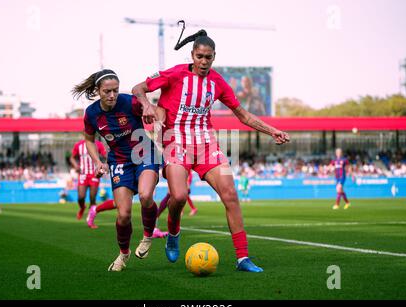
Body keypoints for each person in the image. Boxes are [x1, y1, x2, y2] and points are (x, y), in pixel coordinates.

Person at [132, 28, 290, 272]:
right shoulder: (174, 74)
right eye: (200, 56)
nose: (204, 62)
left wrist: (272, 131)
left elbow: (242, 115)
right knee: (180, 196)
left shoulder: (217, 82)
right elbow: (138, 88)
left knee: (230, 194)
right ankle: (174, 232)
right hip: (175, 142)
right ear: (192, 55)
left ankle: (243, 258)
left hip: (207, 144)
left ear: (214, 57)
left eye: (209, 57)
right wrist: (146, 106)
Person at [72, 69, 162, 271]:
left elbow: (156, 111)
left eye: (115, 90)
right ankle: (124, 254)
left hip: (144, 153)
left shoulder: (129, 102)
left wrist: (150, 109)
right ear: (98, 91)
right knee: (123, 215)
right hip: (119, 161)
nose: (112, 95)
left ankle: (148, 236)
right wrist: (98, 162)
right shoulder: (92, 113)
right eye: (107, 91)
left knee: (146, 195)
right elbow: (89, 139)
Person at [70, 138, 115, 228]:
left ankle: (90, 219)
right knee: (81, 197)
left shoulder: (98, 144)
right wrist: (75, 165)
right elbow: (72, 157)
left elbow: (106, 155)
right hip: (83, 173)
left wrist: (106, 164)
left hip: (94, 174)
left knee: (92, 197)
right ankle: (82, 207)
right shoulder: (78, 145)